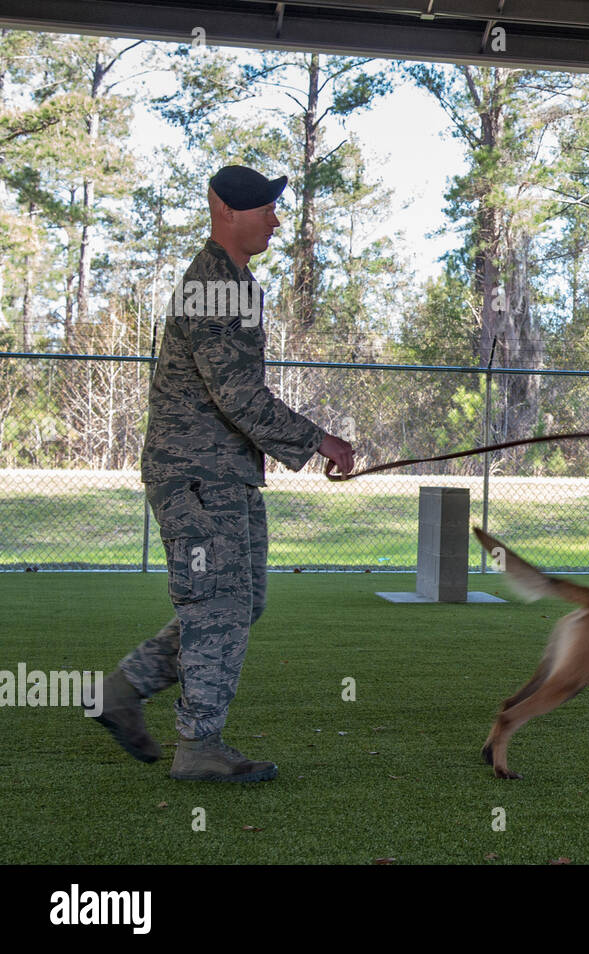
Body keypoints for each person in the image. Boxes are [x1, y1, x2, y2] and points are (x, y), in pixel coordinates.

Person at [88, 164, 355, 782]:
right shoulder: (214, 287)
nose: (275, 220)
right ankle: (199, 746)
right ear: (226, 212)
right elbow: (237, 396)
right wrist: (318, 441)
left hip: (221, 475)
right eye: (265, 209)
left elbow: (235, 397)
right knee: (219, 606)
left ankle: (122, 690)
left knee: (242, 600)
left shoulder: (235, 282)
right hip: (197, 478)